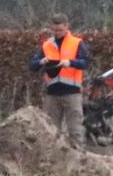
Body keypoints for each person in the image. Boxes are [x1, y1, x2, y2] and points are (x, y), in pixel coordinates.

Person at [31, 15, 91, 147]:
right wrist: (41, 61)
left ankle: (79, 156)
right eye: (54, 30)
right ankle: (53, 157)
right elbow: (32, 65)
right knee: (51, 132)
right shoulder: (46, 45)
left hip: (72, 93)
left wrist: (70, 62)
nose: (57, 33)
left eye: (60, 30)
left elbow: (86, 62)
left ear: (66, 27)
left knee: (75, 130)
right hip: (52, 94)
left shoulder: (77, 43)